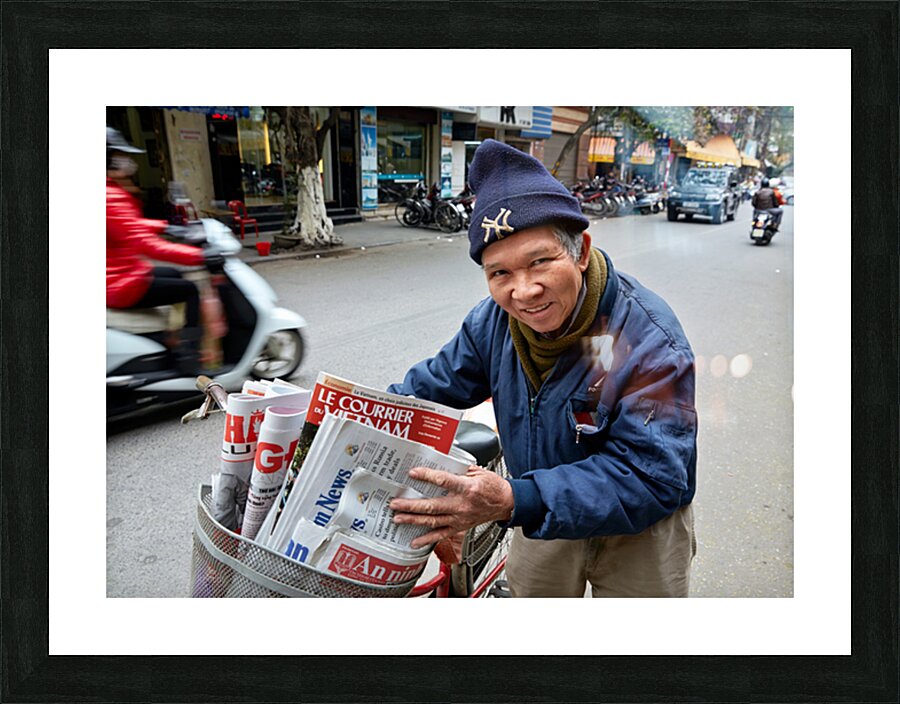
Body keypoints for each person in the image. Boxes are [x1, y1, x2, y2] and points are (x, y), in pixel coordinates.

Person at [387, 140, 697, 597]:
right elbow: (426, 391)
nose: (524, 291)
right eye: (500, 274)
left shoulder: (649, 340)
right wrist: (334, 421)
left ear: (581, 251)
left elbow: (652, 477)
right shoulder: (492, 323)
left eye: (540, 262)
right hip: (543, 515)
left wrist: (516, 498)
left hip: (639, 528)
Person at [106, 126, 222, 375]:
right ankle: (188, 354)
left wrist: (168, 226)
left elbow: (127, 226)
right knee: (190, 289)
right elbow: (144, 244)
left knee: (174, 275)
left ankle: (171, 335)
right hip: (120, 282)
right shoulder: (111, 196)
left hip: (118, 273)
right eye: (121, 157)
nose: (128, 163)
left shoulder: (108, 193)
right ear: (110, 160)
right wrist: (199, 256)